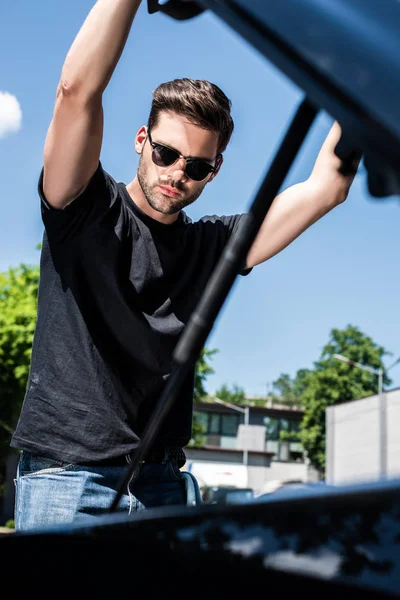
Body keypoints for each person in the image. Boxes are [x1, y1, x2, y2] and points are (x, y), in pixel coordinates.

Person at [10, 0, 359, 531]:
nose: (177, 174)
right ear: (140, 141)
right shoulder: (81, 206)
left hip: (164, 485)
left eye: (196, 167)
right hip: (66, 479)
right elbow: (76, 92)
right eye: (166, 154)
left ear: (214, 171)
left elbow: (328, 186)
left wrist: (358, 64)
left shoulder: (211, 246)